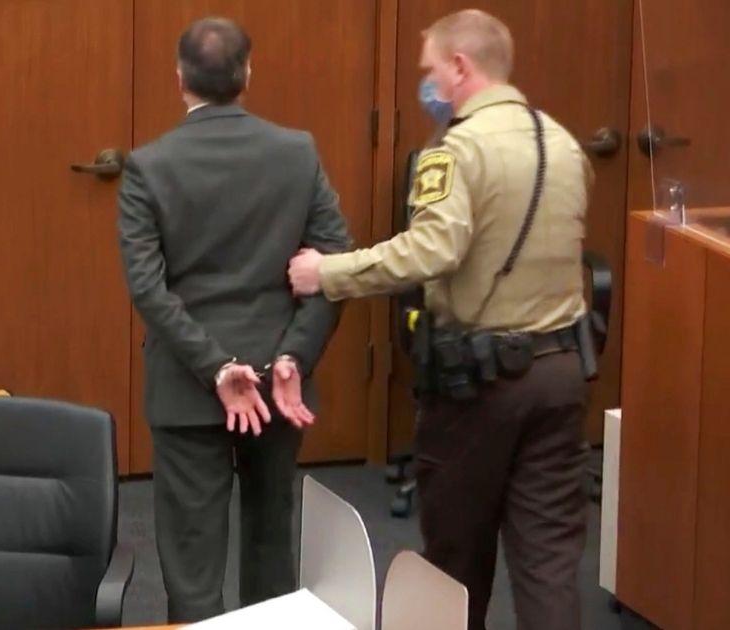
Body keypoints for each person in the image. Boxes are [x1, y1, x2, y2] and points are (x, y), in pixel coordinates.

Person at [288, 10, 594, 630]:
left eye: (429, 70)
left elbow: (432, 251)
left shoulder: (457, 149)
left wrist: (330, 272)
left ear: (460, 67)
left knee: (455, 559)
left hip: (479, 386)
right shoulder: (560, 141)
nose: (425, 85)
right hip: (561, 373)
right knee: (548, 561)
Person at [118, 17, 353, 623]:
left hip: (188, 392)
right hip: (280, 391)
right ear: (249, 74)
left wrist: (216, 366)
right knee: (271, 544)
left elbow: (148, 287)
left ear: (179, 80)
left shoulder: (149, 166)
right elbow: (333, 269)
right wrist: (292, 357)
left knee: (192, 562)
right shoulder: (297, 153)